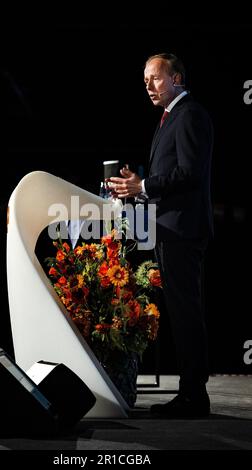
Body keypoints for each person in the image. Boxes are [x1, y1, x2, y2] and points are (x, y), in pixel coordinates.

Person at [107, 53, 213, 418]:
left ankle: (194, 397)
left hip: (182, 231)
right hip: (171, 229)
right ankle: (191, 393)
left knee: (187, 314)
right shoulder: (170, 117)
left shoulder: (189, 115)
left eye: (156, 78)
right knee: (182, 313)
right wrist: (135, 187)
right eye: (146, 80)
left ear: (177, 78)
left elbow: (189, 174)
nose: (148, 85)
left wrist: (145, 185)